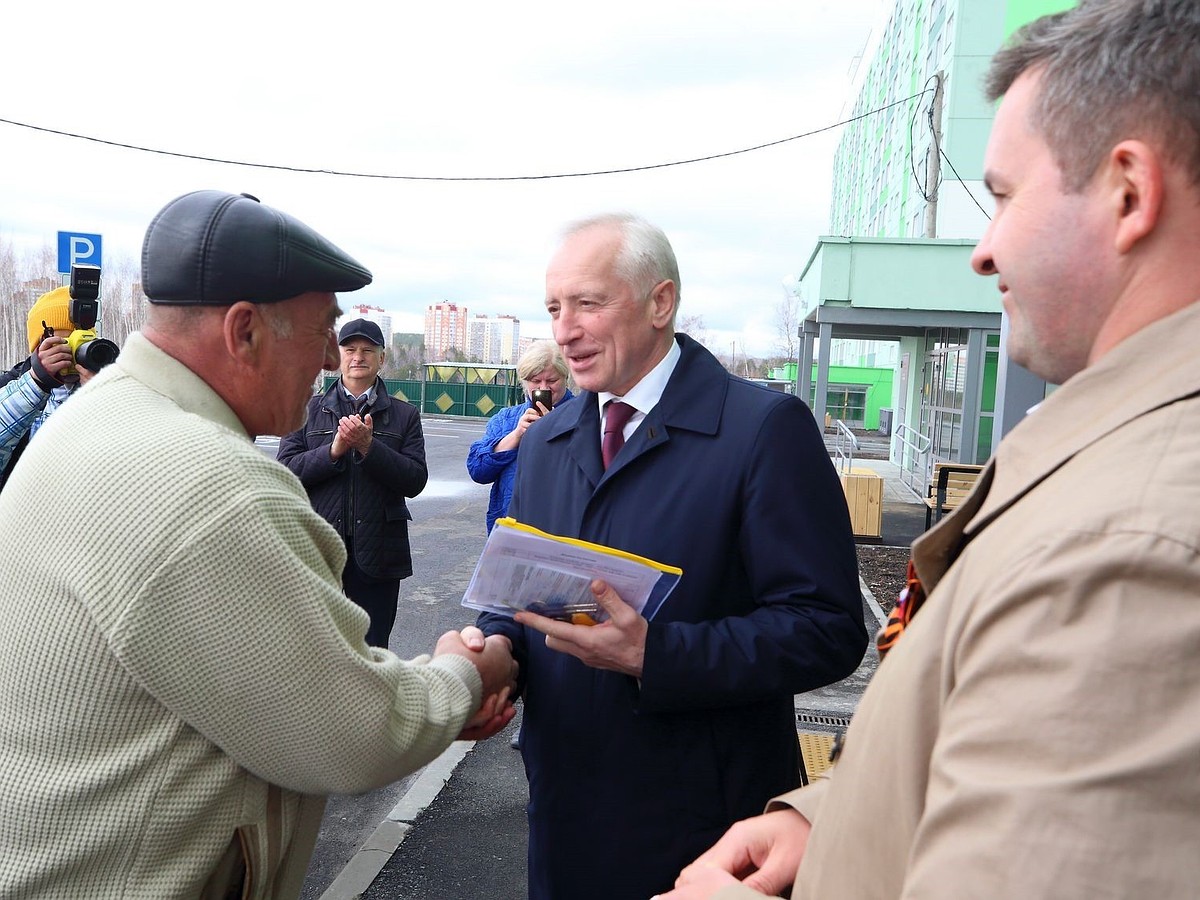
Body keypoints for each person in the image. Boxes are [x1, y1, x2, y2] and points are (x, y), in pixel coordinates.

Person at [660, 2, 1200, 897]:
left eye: (1005, 196)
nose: (984, 253)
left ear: (1129, 194)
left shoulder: (1129, 544)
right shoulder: (1121, 463)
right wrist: (826, 823)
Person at [0, 189, 516, 899]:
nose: (327, 361)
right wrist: (461, 675)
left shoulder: (99, 414)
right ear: (244, 331)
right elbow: (354, 731)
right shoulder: (212, 482)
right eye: (320, 335)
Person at [476, 213, 867, 900]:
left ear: (660, 303)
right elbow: (530, 591)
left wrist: (657, 656)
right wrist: (496, 654)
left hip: (705, 838)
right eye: (553, 309)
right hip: (565, 819)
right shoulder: (547, 443)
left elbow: (826, 629)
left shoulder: (763, 431)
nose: (564, 331)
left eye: (588, 304)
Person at [278, 317, 428, 648]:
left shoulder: (405, 415)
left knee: (372, 650)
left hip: (379, 552)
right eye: (350, 349)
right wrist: (332, 451)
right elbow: (286, 471)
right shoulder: (307, 409)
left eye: (367, 350)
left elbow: (415, 480)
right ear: (338, 355)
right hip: (318, 550)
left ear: (381, 359)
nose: (358, 357)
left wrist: (369, 447)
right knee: (313, 647)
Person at [465, 341, 573, 533]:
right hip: (511, 530)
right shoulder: (506, 419)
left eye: (552, 381)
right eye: (535, 381)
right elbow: (477, 470)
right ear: (524, 382)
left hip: (563, 532)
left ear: (566, 377)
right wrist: (516, 436)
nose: (543, 388)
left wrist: (554, 432)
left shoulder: (584, 416)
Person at [0, 286, 100, 487]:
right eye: (62, 344)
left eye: (77, 344)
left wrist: (101, 397)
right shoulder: (11, 385)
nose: (70, 354)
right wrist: (37, 382)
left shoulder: (109, 384)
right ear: (39, 347)